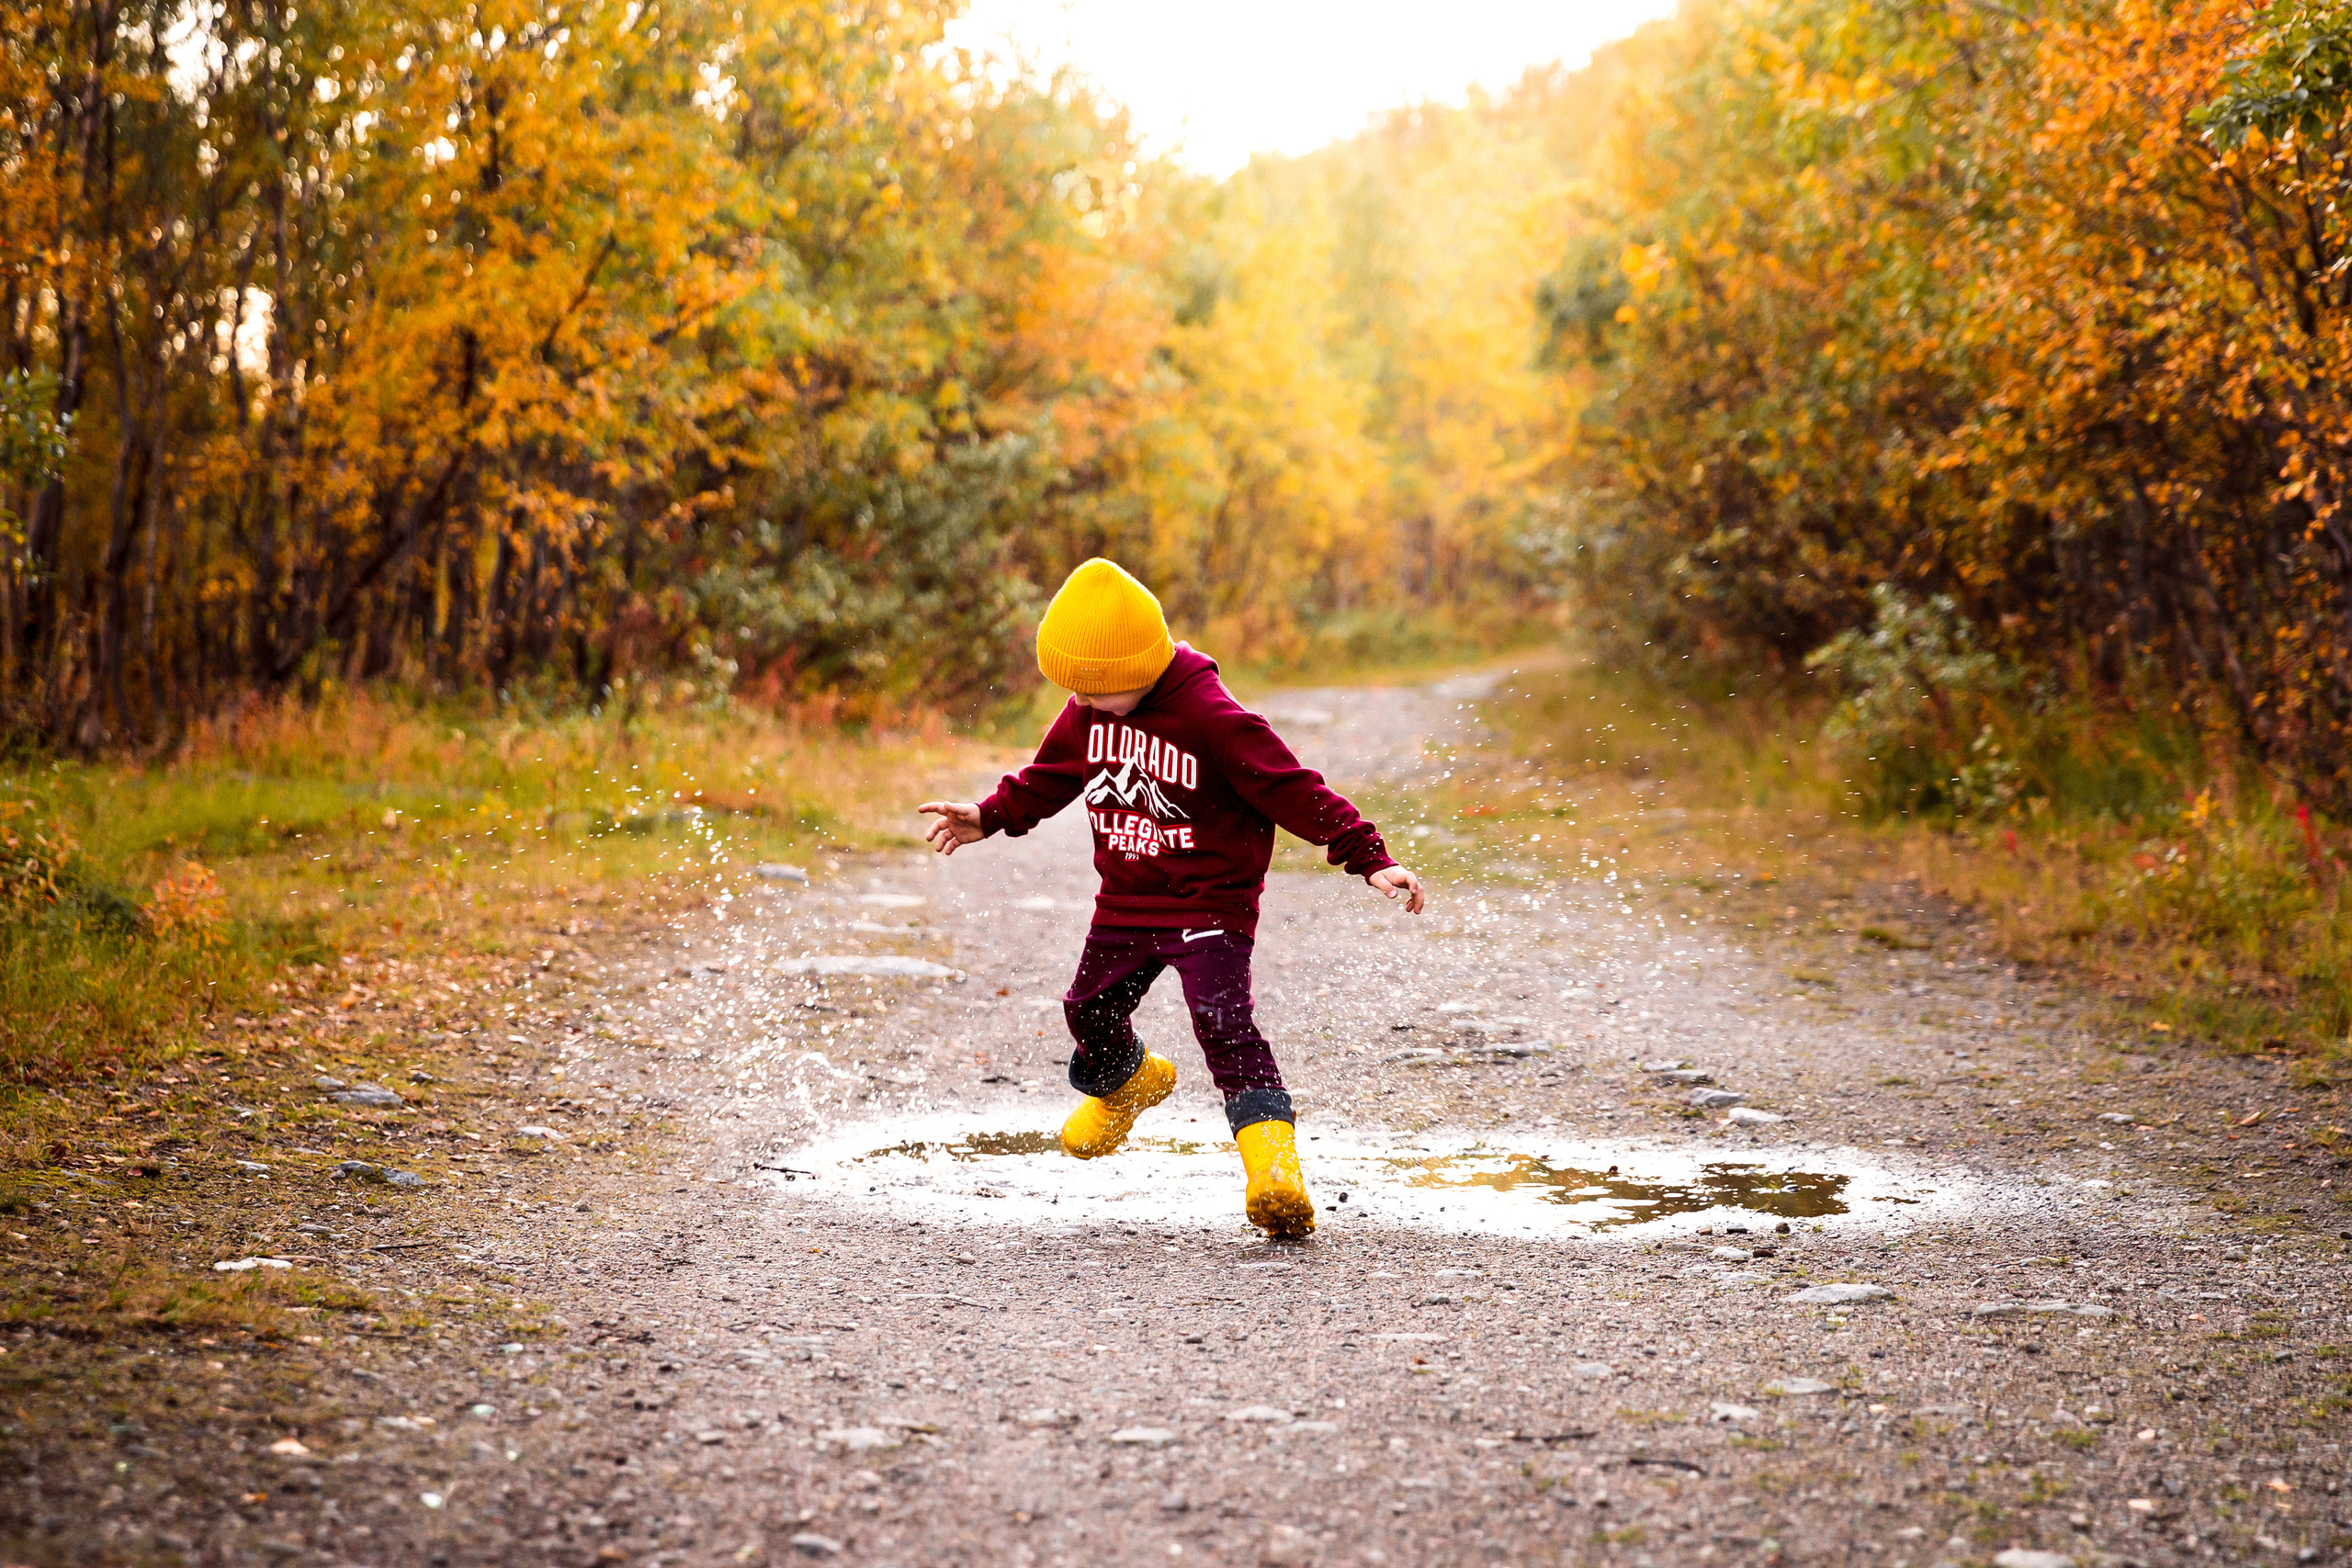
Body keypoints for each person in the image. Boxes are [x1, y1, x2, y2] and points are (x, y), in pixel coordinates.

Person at [919, 558, 1424, 1239]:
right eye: (1076, 691)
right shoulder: (1090, 709)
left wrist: (1369, 857)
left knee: (1222, 1023)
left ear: (1144, 667)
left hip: (1211, 902)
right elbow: (1051, 775)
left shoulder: (1214, 718)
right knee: (1087, 1010)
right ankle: (1129, 1084)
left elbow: (1292, 787)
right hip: (1127, 900)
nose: (1084, 703)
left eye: (1097, 690)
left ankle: (1274, 1172)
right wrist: (990, 816)